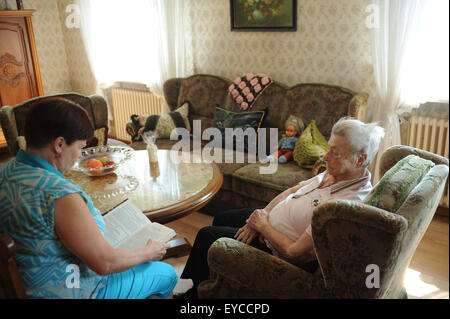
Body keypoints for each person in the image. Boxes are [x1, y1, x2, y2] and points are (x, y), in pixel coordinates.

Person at [177, 117, 385, 298]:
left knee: (206, 235)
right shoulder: (337, 173)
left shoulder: (343, 208)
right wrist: (262, 215)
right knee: (222, 218)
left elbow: (294, 252)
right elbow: (292, 191)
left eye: (335, 153)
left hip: (275, 247)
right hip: (267, 223)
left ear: (360, 159)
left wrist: (263, 227)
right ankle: (217, 279)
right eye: (328, 149)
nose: (325, 157)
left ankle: (194, 295)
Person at [0, 97, 178, 299]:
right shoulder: (59, 194)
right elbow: (106, 263)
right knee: (166, 274)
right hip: (71, 289)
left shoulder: (6, 171)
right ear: (59, 144)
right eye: (79, 148)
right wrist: (149, 252)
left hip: (27, 284)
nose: (79, 156)